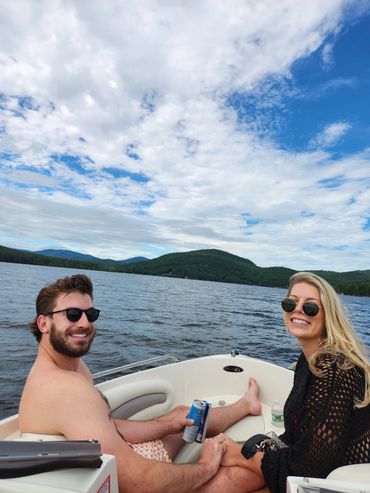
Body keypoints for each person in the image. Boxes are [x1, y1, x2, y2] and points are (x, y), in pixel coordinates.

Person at [19, 274, 264, 493]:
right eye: (72, 314)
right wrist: (206, 466)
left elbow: (107, 426)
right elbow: (139, 482)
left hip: (122, 458)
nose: (84, 323)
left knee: (183, 415)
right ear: (43, 323)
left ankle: (246, 405)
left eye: (90, 314)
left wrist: (165, 425)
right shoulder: (64, 388)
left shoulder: (72, 369)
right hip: (129, 483)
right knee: (241, 475)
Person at [202, 271, 370, 493]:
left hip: (337, 482)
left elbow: (310, 468)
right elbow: (298, 439)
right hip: (313, 469)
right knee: (226, 471)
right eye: (291, 303)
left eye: (311, 307)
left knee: (227, 472)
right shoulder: (308, 361)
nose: (298, 310)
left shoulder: (334, 369)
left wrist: (240, 456)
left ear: (329, 315)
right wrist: (248, 450)